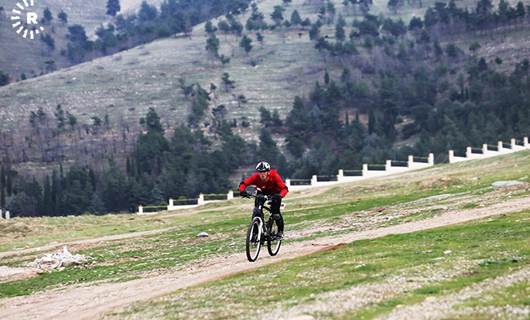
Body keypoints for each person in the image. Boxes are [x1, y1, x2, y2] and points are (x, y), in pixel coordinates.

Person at [239, 161, 288, 239]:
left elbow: (285, 189)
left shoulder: (274, 176)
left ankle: (280, 232)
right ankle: (255, 233)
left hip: (275, 194)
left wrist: (280, 196)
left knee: (275, 213)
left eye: (264, 172)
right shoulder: (255, 177)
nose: (262, 174)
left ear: (268, 172)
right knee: (256, 211)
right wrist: (242, 191)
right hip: (262, 193)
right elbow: (243, 184)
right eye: (260, 172)